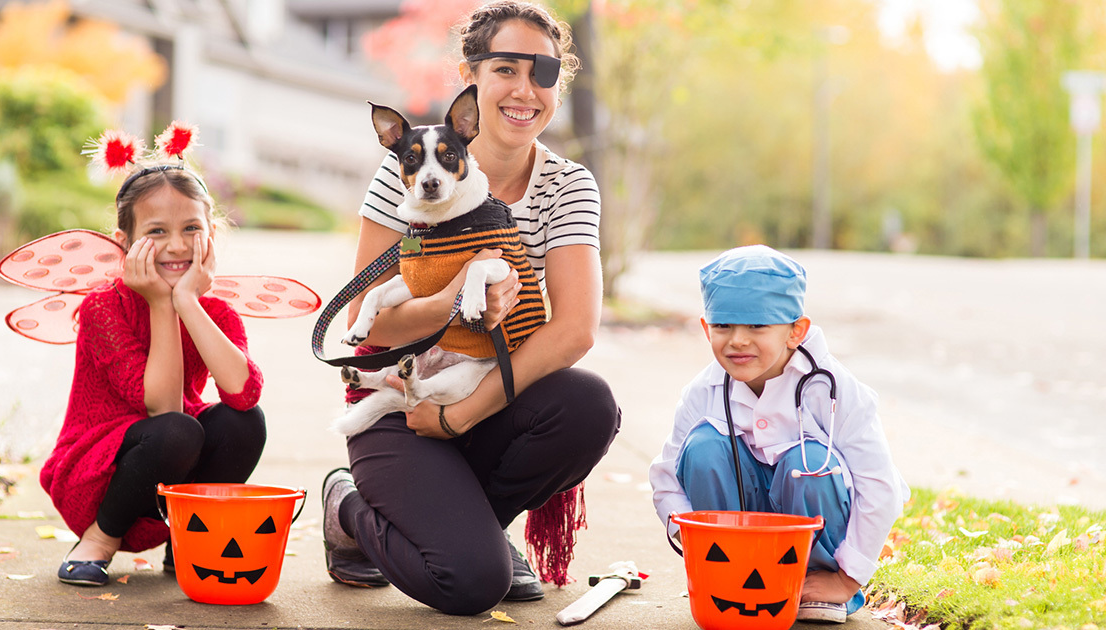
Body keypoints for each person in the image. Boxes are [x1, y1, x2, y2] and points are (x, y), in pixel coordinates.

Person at [320, 0, 621, 616]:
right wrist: (456, 297)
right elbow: (371, 324)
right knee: (472, 585)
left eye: (544, 72)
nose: (525, 89)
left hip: (483, 395)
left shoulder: (568, 185)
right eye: (506, 68)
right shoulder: (406, 171)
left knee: (587, 403)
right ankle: (349, 508)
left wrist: (460, 416)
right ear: (471, 78)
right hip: (400, 400)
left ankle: (476, 523)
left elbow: (573, 331)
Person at [648, 245, 909, 624]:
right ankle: (730, 577)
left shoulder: (833, 390)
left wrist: (848, 578)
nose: (737, 340)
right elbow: (666, 478)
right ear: (706, 329)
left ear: (795, 331)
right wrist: (698, 545)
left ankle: (816, 585)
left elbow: (880, 486)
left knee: (810, 465)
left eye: (756, 326)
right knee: (703, 448)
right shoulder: (702, 392)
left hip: (818, 552)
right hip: (734, 553)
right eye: (723, 326)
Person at [42, 152, 266, 586]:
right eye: (156, 232)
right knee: (177, 429)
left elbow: (244, 393)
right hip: (98, 475)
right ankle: (98, 541)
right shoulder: (103, 308)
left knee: (244, 422)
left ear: (211, 236)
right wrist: (162, 302)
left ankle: (189, 540)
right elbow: (161, 408)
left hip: (172, 466)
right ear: (124, 244)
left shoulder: (216, 314)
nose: (178, 246)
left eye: (191, 229)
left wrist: (187, 301)